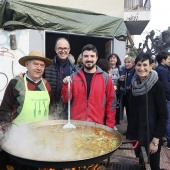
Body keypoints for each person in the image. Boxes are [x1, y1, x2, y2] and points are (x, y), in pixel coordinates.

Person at [0, 50, 53, 169]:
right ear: (27, 65)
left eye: (42, 65)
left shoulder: (46, 85)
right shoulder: (16, 83)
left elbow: (52, 110)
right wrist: (7, 136)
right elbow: (4, 111)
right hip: (19, 139)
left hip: (41, 139)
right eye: (35, 64)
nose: (39, 68)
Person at [126, 53, 167, 170]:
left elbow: (163, 114)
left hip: (151, 136)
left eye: (145, 65)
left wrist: (155, 140)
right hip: (138, 135)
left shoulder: (158, 86)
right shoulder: (134, 85)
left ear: (151, 66)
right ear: (135, 66)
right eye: (139, 65)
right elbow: (132, 111)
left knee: (153, 167)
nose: (141, 68)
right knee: (141, 164)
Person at [61, 44, 116, 128]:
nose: (89, 59)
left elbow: (111, 103)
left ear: (96, 58)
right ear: (82, 58)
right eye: (86, 56)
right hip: (77, 125)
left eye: (92, 56)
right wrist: (65, 85)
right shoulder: (73, 77)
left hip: (97, 125)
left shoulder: (105, 78)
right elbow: (66, 99)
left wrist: (110, 126)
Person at [44, 37, 77, 119]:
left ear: (69, 50)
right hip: (50, 109)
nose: (63, 51)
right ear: (55, 49)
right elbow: (35, 76)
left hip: (68, 111)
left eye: (65, 48)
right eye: (60, 48)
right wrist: (23, 75)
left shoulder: (75, 69)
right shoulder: (47, 67)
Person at [155, 51, 170, 149]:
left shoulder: (158, 69)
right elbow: (166, 87)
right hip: (166, 98)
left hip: (162, 97)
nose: (169, 61)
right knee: (167, 120)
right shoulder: (163, 71)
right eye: (168, 59)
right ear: (163, 59)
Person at [119, 56, 135, 123]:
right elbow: (119, 82)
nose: (126, 64)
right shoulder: (123, 71)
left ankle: (131, 130)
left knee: (132, 114)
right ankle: (129, 130)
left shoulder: (135, 71)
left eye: (129, 62)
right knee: (127, 113)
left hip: (132, 95)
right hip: (124, 94)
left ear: (133, 63)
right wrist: (119, 80)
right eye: (125, 62)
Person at [108, 53, 122, 125]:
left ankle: (116, 121)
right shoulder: (106, 67)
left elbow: (122, 79)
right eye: (111, 58)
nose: (112, 59)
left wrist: (120, 80)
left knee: (116, 105)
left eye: (114, 58)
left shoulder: (120, 68)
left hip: (117, 90)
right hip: (108, 89)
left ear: (117, 60)